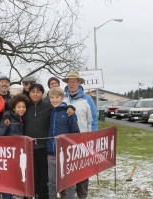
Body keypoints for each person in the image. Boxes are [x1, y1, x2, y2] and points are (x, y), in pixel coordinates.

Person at [62, 70, 98, 199]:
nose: (71, 84)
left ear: (79, 83)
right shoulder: (62, 98)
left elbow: (92, 120)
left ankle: (82, 196)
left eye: (74, 81)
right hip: (66, 142)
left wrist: (92, 138)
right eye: (69, 81)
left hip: (83, 141)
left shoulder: (87, 99)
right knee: (67, 171)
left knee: (82, 171)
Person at [47, 87, 80, 199]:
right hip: (51, 153)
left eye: (57, 97)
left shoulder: (68, 113)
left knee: (69, 182)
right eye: (52, 97)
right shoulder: (50, 112)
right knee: (51, 182)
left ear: (62, 98)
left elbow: (75, 133)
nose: (54, 100)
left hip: (65, 154)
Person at [0, 94, 30, 199]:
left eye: (23, 107)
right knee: (7, 179)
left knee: (16, 178)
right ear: (14, 108)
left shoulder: (23, 120)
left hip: (19, 154)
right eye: (19, 107)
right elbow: (0, 134)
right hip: (8, 153)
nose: (21, 109)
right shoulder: (8, 118)